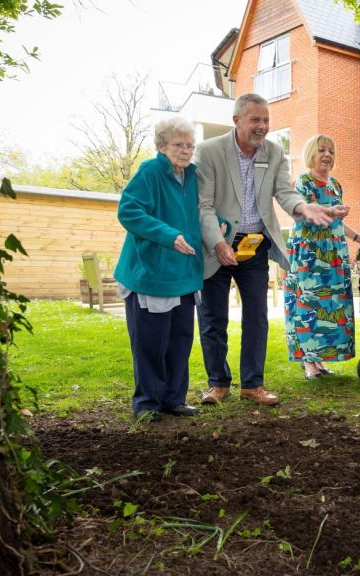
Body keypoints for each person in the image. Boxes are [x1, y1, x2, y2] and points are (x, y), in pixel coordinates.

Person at [195, 93, 333, 406]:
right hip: (216, 245)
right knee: (212, 317)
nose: (262, 127)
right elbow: (203, 206)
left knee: (256, 317)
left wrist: (302, 207)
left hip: (254, 245)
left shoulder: (273, 152)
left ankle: (252, 385)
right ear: (237, 121)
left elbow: (284, 193)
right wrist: (217, 242)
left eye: (266, 120)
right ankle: (218, 384)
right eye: (255, 120)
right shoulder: (209, 151)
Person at [113, 117, 204, 422]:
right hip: (150, 271)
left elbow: (195, 216)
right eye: (179, 145)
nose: (185, 151)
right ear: (162, 146)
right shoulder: (150, 171)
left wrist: (221, 229)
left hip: (182, 273)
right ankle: (147, 404)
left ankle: (173, 399)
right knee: (151, 343)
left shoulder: (191, 176)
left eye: (190, 145)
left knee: (180, 340)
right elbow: (128, 211)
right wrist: (168, 235)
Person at [284, 135, 360, 379]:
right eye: (321, 150)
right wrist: (329, 212)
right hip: (310, 254)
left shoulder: (335, 185)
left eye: (331, 151)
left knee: (329, 307)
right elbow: (303, 215)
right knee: (308, 304)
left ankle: (320, 361)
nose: (327, 155)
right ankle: (308, 362)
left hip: (333, 254)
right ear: (311, 153)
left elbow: (336, 222)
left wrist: (358, 237)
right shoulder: (304, 182)